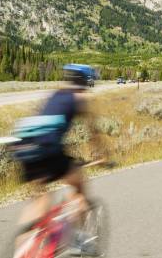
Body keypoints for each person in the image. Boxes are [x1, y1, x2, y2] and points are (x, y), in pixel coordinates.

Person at [14, 64, 103, 250]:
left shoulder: (55, 94)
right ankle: (78, 241)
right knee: (78, 186)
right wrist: (102, 156)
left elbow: (48, 124)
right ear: (87, 81)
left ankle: (21, 247)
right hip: (48, 148)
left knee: (40, 201)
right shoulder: (79, 98)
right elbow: (93, 133)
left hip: (24, 145)